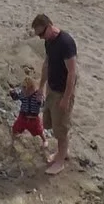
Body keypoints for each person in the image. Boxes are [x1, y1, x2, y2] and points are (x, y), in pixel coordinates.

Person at [32, 13, 79, 174]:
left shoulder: (66, 43)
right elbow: (47, 64)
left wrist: (66, 98)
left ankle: (60, 162)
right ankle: (62, 153)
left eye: (41, 33)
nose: (40, 38)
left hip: (63, 90)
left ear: (49, 26)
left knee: (61, 127)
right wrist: (41, 86)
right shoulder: (49, 42)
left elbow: (72, 73)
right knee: (51, 122)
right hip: (52, 88)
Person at [10, 70, 49, 155]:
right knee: (15, 128)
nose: (25, 92)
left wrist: (40, 100)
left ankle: (45, 140)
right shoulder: (23, 94)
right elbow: (16, 97)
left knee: (39, 130)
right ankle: (12, 140)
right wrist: (12, 93)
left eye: (27, 90)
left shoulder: (37, 95)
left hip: (33, 118)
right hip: (23, 116)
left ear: (32, 88)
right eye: (24, 89)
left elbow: (43, 105)